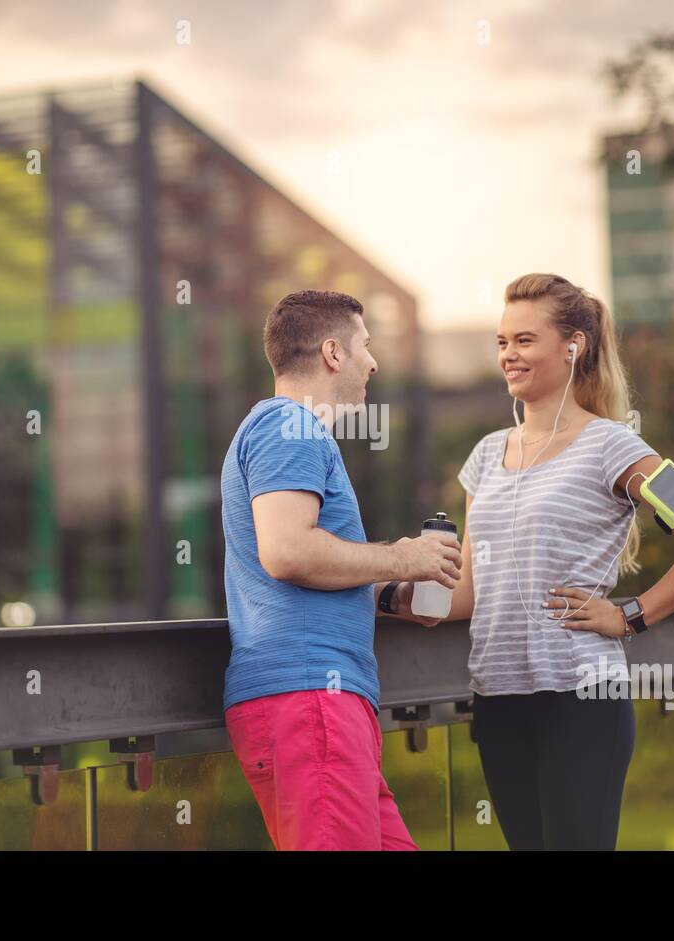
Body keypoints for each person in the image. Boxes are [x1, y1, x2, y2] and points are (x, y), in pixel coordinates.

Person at [386, 273, 674, 850]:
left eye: (525, 340)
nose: (508, 355)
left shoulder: (615, 446)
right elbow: (471, 593)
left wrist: (629, 615)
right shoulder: (485, 456)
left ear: (572, 346)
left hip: (581, 701)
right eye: (502, 342)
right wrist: (384, 587)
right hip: (497, 700)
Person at [219, 289, 462, 851]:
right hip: (310, 701)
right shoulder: (290, 426)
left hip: (324, 705)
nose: (373, 363)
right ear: (333, 352)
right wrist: (404, 556)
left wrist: (386, 595)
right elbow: (287, 553)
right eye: (365, 347)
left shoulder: (292, 432)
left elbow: (298, 560)